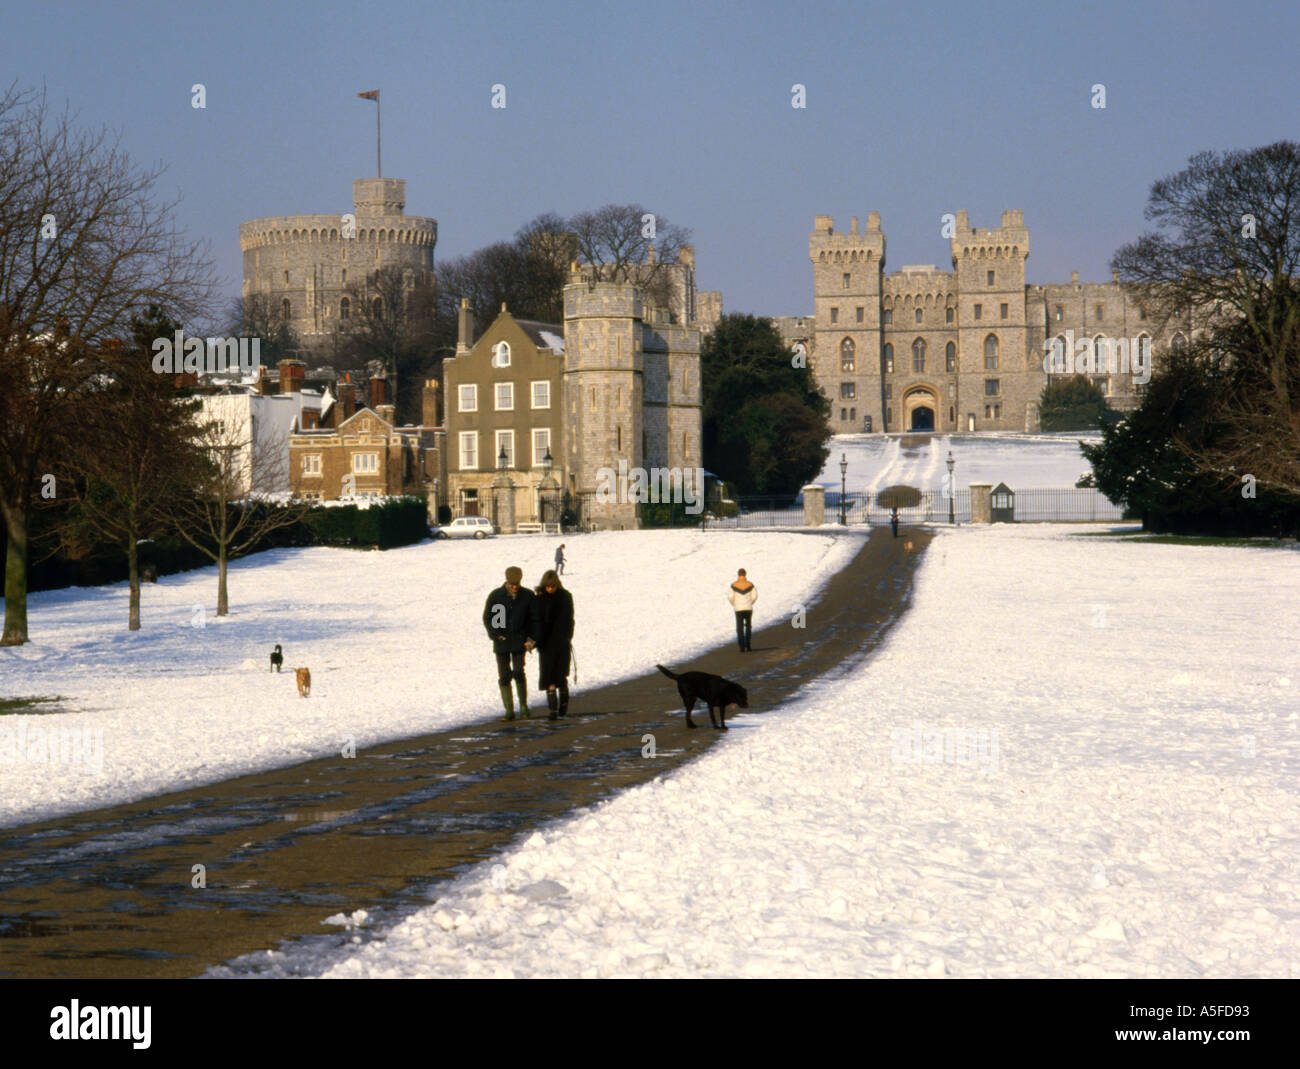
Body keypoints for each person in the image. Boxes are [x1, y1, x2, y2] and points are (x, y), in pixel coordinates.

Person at [482, 565, 538, 721]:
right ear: (506, 581)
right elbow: (489, 618)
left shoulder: (527, 596)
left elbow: (534, 620)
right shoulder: (497, 597)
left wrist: (531, 639)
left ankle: (524, 707)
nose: (515, 587)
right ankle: (509, 710)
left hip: (521, 642)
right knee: (504, 675)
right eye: (512, 584)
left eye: (517, 584)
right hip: (502, 644)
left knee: (519, 672)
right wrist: (496, 634)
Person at [534, 569, 574, 720]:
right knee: (548, 676)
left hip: (561, 641)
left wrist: (568, 636)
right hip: (545, 643)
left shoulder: (565, 597)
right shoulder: (539, 599)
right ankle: (553, 710)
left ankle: (563, 704)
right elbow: (536, 621)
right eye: (547, 586)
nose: (550, 589)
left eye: (552, 586)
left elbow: (570, 619)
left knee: (561, 675)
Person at [727, 568, 757, 652]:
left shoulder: (734, 585)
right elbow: (754, 596)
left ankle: (741, 646)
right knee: (748, 626)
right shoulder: (750, 585)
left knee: (739, 627)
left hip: (738, 609)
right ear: (745, 574)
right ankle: (748, 644)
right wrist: (750, 602)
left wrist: (734, 604)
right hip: (748, 608)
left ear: (738, 575)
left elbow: (730, 597)